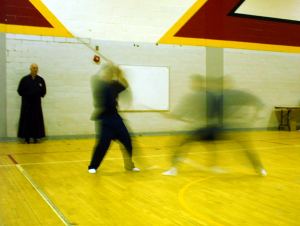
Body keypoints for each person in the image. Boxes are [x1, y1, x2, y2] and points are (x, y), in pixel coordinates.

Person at [162, 75, 267, 176]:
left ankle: (173, 169)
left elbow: (183, 113)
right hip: (222, 128)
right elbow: (258, 103)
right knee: (212, 145)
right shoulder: (215, 96)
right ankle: (259, 169)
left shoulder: (204, 96)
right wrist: (255, 117)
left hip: (213, 128)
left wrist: (170, 115)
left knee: (182, 143)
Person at [88, 63, 140, 174]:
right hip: (103, 119)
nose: (109, 74)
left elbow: (125, 85)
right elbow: (94, 77)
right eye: (107, 72)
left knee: (127, 141)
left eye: (111, 73)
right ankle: (93, 166)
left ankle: (129, 166)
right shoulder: (98, 83)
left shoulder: (114, 84)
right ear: (104, 73)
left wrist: (119, 73)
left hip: (115, 117)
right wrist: (107, 67)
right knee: (103, 144)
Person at [17, 64, 46, 143]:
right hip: (27, 104)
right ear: (30, 69)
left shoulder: (40, 80)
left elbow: (43, 91)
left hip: (36, 104)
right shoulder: (24, 79)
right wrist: (28, 95)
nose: (35, 69)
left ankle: (36, 137)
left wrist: (37, 95)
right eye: (33, 68)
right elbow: (19, 91)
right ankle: (26, 138)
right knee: (27, 120)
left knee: (36, 120)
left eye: (36, 68)